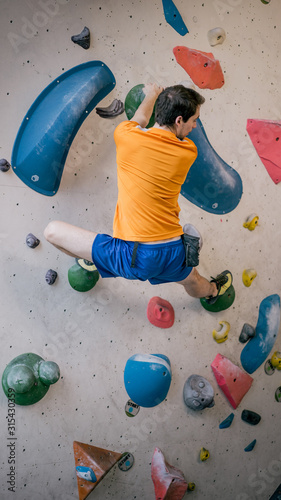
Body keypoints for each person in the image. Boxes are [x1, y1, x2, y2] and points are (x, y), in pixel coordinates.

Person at [44, 83, 232, 303]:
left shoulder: (124, 135)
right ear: (179, 120)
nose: (195, 125)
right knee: (192, 280)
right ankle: (212, 292)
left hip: (130, 256)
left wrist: (151, 94)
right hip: (171, 251)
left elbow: (141, 118)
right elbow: (152, 127)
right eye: (194, 120)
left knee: (51, 231)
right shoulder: (187, 151)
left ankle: (95, 260)